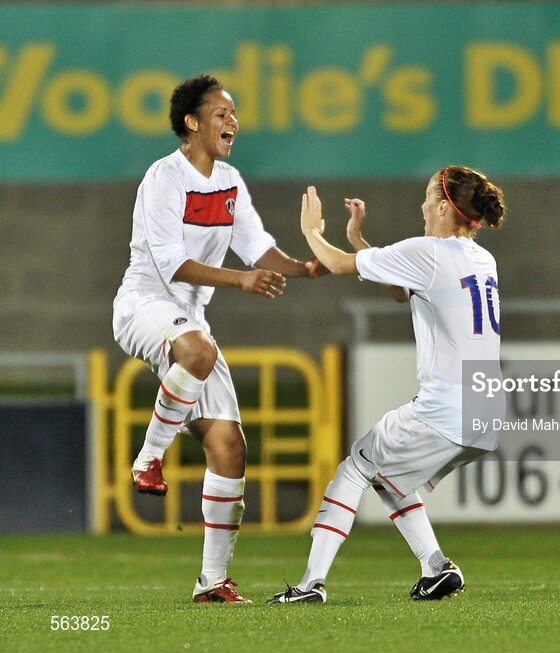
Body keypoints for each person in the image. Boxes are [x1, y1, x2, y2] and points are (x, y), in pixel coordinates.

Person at [112, 74, 328, 603]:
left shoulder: (229, 180)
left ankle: (212, 582)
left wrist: (309, 265)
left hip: (189, 322)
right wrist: (240, 280)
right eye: (221, 113)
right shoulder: (164, 177)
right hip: (144, 303)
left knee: (229, 448)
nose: (232, 121)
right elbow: (170, 264)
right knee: (199, 351)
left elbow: (258, 250)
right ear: (192, 122)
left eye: (234, 114)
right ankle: (149, 458)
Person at [268, 166, 507, 604]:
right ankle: (436, 567)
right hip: (487, 412)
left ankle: (310, 585)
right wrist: (360, 239)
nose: (420, 204)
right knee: (389, 475)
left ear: (441, 205)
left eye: (426, 195)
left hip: (447, 407)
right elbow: (402, 289)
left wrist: (310, 231)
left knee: (356, 466)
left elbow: (337, 264)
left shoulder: (430, 251)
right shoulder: (481, 259)